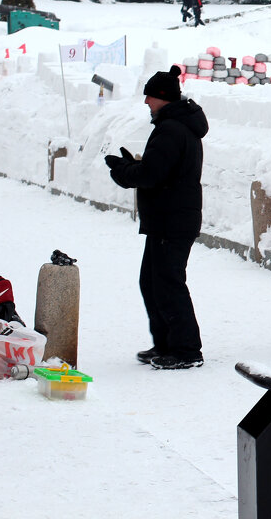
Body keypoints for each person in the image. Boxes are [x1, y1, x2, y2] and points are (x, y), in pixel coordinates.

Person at [104, 65, 209, 370]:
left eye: (149, 96)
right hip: (169, 218)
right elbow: (158, 170)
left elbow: (151, 174)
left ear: (162, 97)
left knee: (167, 283)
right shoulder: (176, 126)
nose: (146, 102)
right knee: (152, 282)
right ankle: (166, 344)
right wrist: (130, 166)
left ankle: (187, 350)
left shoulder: (171, 129)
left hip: (172, 219)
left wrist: (122, 170)